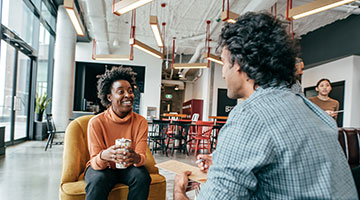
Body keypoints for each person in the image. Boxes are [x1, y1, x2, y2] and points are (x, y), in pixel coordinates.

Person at [174, 12, 357, 199]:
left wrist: (179, 192)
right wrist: (225, 163)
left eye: (223, 63)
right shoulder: (314, 111)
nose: (222, 74)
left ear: (238, 63)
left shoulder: (250, 115)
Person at [84, 67, 151, 200]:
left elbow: (141, 158)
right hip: (103, 167)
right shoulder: (96, 122)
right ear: (109, 97)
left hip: (128, 167)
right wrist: (105, 155)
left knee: (142, 177)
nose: (128, 95)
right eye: (121, 92)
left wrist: (136, 157)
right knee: (98, 180)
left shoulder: (140, 122)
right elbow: (95, 162)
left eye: (130, 91)